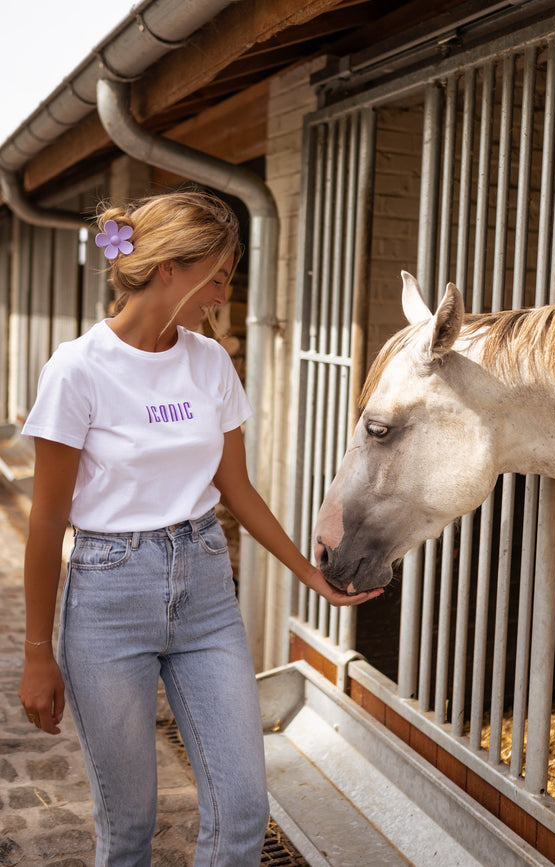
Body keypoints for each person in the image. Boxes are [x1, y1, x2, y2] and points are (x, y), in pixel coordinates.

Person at [18, 189, 378, 867]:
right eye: (217, 274)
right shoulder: (78, 369)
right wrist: (39, 650)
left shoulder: (209, 361)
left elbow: (234, 486)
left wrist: (310, 571)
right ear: (167, 270)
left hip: (206, 589)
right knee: (129, 827)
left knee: (242, 812)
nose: (223, 291)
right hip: (107, 595)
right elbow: (46, 520)